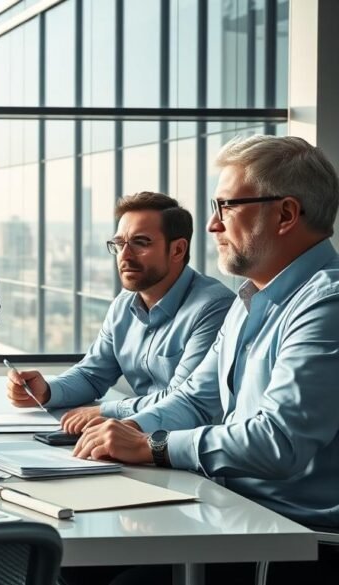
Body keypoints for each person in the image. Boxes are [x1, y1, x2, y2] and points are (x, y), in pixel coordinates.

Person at [73, 135, 339, 582]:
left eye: (226, 207)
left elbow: (279, 442)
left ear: (286, 214)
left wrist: (152, 446)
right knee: (78, 568)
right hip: (231, 511)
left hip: (291, 542)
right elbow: (197, 401)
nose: (213, 226)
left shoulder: (326, 304)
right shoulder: (249, 299)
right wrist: (124, 432)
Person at [6, 193, 234, 433]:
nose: (124, 256)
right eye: (119, 244)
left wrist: (107, 411)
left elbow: (181, 400)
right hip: (135, 439)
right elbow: (92, 374)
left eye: (141, 242)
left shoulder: (213, 308)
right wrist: (47, 391)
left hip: (189, 449)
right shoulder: (123, 305)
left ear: (177, 250)